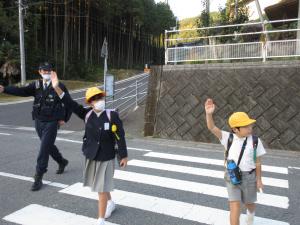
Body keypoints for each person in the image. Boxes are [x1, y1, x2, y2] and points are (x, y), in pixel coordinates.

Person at [50, 71, 128, 225]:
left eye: (101, 97)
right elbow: (69, 102)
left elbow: (121, 136)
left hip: (107, 156)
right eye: (96, 99)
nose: (99, 100)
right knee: (101, 185)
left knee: (100, 187)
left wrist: (123, 155)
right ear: (90, 102)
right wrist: (57, 87)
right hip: (92, 154)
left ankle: (101, 219)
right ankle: (110, 203)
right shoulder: (86, 114)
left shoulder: (112, 115)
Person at [0, 62, 72, 191]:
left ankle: (38, 176)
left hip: (52, 121)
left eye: (49, 71)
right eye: (44, 71)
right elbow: (22, 91)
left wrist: (64, 118)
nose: (46, 73)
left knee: (44, 148)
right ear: (39, 72)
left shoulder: (59, 86)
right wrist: (5, 89)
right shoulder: (36, 85)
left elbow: (68, 102)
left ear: (52, 72)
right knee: (47, 145)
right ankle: (61, 161)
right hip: (39, 120)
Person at [204, 98, 266, 225]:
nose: (250, 128)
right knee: (235, 208)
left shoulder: (255, 141)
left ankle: (250, 216)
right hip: (232, 176)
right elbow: (212, 127)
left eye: (250, 125)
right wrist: (209, 114)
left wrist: (259, 180)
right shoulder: (228, 138)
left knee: (249, 204)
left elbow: (258, 162)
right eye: (246, 126)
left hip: (249, 177)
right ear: (235, 129)